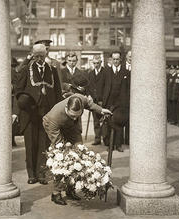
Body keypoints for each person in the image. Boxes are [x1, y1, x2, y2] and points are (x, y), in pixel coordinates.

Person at [43, 94, 111, 205]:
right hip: (55, 128)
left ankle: (70, 189)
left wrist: (101, 110)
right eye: (72, 115)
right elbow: (60, 145)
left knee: (79, 154)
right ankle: (56, 193)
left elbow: (90, 104)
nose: (75, 118)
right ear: (66, 109)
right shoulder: (53, 118)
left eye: (77, 116)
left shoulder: (81, 99)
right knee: (62, 160)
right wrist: (66, 151)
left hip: (72, 128)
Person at [15, 43, 62, 184]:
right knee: (30, 145)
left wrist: (58, 112)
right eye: (36, 56)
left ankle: (41, 173)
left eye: (42, 56)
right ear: (32, 55)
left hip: (47, 112)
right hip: (30, 113)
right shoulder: (25, 69)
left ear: (46, 54)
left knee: (44, 144)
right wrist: (23, 103)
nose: (39, 59)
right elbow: (18, 90)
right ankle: (31, 174)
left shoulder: (52, 70)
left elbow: (58, 92)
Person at [102, 51, 130, 152]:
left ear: (120, 59)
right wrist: (101, 100)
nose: (115, 61)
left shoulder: (125, 72)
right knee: (109, 122)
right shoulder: (106, 71)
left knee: (119, 122)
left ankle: (118, 144)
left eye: (117, 59)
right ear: (111, 59)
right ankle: (110, 145)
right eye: (114, 59)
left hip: (121, 102)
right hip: (109, 101)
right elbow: (102, 86)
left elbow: (128, 88)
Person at [88, 55, 106, 145]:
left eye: (97, 63)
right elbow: (89, 87)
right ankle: (97, 138)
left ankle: (106, 138)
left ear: (101, 62)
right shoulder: (90, 73)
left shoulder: (106, 72)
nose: (96, 65)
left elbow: (107, 87)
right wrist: (89, 96)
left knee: (105, 120)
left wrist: (103, 99)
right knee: (96, 120)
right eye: (94, 63)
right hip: (94, 101)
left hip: (103, 100)